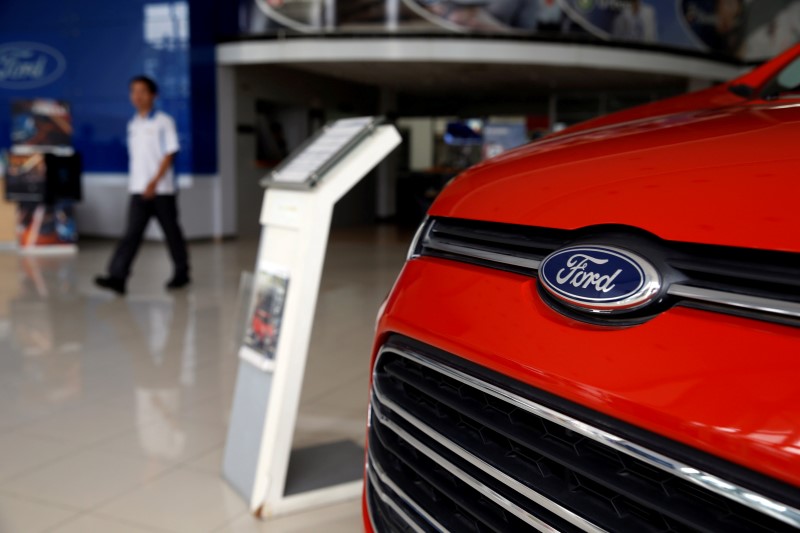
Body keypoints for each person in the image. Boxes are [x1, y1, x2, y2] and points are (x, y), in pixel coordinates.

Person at [95, 75, 190, 295]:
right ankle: (117, 277)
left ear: (153, 95)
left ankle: (182, 272)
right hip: (138, 189)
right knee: (131, 234)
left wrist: (154, 182)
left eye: (142, 91)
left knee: (171, 233)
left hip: (162, 190)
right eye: (133, 92)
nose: (137, 96)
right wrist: (141, 185)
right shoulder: (133, 124)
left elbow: (170, 153)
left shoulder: (163, 122)